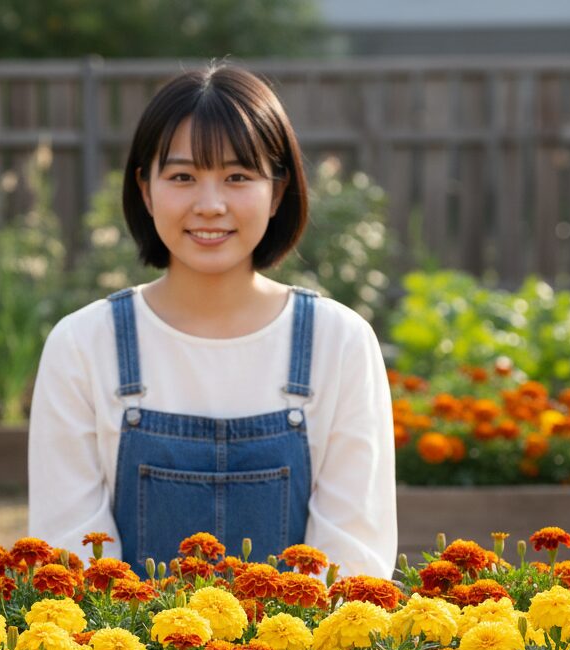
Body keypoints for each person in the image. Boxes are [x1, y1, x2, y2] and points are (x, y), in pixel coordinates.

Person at [28, 61, 396, 577]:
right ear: (145, 187)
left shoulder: (341, 343)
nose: (210, 204)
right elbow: (69, 554)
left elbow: (353, 557)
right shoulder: (85, 344)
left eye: (237, 177)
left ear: (278, 190)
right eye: (182, 176)